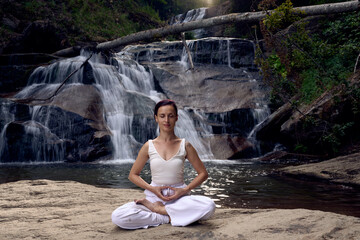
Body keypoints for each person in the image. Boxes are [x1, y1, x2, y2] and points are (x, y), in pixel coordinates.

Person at [111, 99, 216, 229]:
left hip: (179, 199)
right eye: (162, 116)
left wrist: (184, 190)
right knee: (118, 216)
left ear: (176, 118)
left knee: (209, 206)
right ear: (156, 118)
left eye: (171, 116)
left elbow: (203, 173)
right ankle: (172, 216)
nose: (166, 120)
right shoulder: (148, 146)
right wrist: (152, 189)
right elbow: (133, 175)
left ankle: (161, 212)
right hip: (154, 198)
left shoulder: (185, 145)